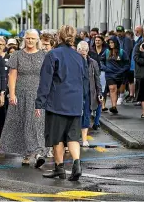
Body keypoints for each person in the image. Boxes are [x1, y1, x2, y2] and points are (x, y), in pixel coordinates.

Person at [35, 25, 88, 181]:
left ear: (58, 36)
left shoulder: (53, 55)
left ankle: (59, 168)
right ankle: (77, 164)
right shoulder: (80, 57)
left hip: (57, 102)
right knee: (73, 137)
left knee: (56, 138)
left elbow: (45, 82)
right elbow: (84, 80)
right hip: (75, 103)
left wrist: (39, 103)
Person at [0, 29, 47, 167]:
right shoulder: (17, 55)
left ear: (37, 40)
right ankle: (27, 153)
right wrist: (12, 94)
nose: (30, 41)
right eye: (28, 38)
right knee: (24, 123)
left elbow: (46, 76)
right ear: (24, 39)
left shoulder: (44, 55)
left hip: (38, 94)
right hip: (21, 93)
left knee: (37, 123)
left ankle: (38, 152)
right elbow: (12, 76)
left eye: (33, 38)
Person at [77, 41, 102, 146]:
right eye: (81, 50)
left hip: (88, 93)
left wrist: (99, 93)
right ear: (77, 50)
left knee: (86, 115)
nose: (84, 52)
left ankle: (84, 139)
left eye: (86, 50)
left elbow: (97, 79)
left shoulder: (93, 62)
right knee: (76, 115)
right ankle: (73, 139)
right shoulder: (73, 61)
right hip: (76, 93)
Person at [101, 36, 130, 114]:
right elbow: (101, 60)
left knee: (116, 90)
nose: (111, 44)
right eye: (109, 43)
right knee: (112, 88)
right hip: (109, 74)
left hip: (119, 75)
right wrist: (105, 68)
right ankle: (114, 106)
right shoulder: (107, 52)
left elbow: (127, 63)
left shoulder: (122, 52)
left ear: (116, 43)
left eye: (112, 42)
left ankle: (114, 106)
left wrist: (122, 70)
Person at [134, 28, 144, 118]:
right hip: (143, 73)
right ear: (143, 35)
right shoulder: (139, 45)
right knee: (143, 93)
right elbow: (136, 57)